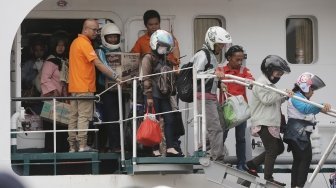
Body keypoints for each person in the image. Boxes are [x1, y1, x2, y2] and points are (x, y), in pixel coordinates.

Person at [68, 19, 121, 152]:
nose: (96, 33)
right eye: (94, 30)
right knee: (83, 117)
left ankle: (72, 146)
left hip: (74, 87)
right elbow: (98, 63)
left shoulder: (75, 43)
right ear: (85, 29)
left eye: (98, 30)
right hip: (84, 87)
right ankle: (82, 145)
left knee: (73, 116)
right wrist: (116, 77)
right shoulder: (85, 44)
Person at [246, 55, 291, 186]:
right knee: (272, 149)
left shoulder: (269, 85)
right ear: (269, 70)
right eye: (278, 73)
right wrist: (282, 92)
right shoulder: (261, 83)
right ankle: (268, 178)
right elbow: (266, 100)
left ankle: (252, 164)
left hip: (270, 122)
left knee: (279, 148)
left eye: (281, 74)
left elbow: (274, 101)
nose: (279, 76)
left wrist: (285, 97)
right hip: (264, 122)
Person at [191, 26, 232, 161]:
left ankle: (203, 147)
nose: (221, 47)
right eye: (219, 44)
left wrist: (219, 83)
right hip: (204, 97)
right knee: (215, 128)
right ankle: (217, 157)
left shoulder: (211, 55)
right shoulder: (202, 54)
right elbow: (196, 74)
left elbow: (208, 74)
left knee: (223, 125)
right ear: (211, 41)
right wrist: (214, 73)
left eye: (222, 45)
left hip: (211, 96)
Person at [284, 72, 331, 188]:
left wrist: (320, 108)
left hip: (296, 133)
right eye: (312, 88)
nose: (313, 92)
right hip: (298, 134)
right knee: (305, 159)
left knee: (299, 160)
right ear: (305, 87)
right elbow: (305, 108)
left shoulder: (299, 96)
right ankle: (299, 186)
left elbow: (308, 108)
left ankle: (295, 185)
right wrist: (321, 105)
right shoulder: (296, 97)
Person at [142, 29, 182, 157]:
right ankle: (154, 148)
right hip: (153, 95)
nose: (164, 49)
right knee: (154, 121)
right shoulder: (148, 58)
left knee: (170, 120)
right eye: (162, 46)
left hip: (165, 95)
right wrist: (148, 96)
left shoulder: (166, 59)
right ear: (155, 44)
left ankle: (170, 147)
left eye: (166, 47)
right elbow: (146, 78)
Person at [216, 45, 254, 170]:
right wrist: (218, 77)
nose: (239, 62)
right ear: (228, 58)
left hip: (241, 109)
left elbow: (250, 79)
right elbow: (213, 76)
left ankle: (241, 163)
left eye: (241, 59)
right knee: (222, 135)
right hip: (226, 109)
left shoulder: (244, 70)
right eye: (237, 59)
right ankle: (218, 159)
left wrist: (249, 81)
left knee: (241, 137)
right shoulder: (221, 69)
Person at [95, 22, 127, 152]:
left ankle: (117, 144)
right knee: (109, 117)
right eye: (110, 37)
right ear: (104, 38)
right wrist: (116, 77)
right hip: (106, 89)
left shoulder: (119, 50)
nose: (113, 39)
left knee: (119, 116)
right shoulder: (100, 50)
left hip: (119, 88)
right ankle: (111, 146)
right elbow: (103, 66)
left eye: (115, 37)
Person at [40, 31, 69, 152]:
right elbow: (44, 79)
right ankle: (51, 154)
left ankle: (62, 154)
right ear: (53, 46)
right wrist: (54, 91)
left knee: (63, 128)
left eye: (63, 45)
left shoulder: (65, 61)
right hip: (51, 100)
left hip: (64, 100)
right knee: (52, 129)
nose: (61, 47)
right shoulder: (50, 61)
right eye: (58, 45)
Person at [21, 36, 47, 113]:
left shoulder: (48, 61)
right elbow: (22, 78)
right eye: (36, 50)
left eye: (41, 50)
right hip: (32, 95)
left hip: (45, 94)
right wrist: (33, 79)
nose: (39, 52)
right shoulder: (29, 64)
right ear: (32, 51)